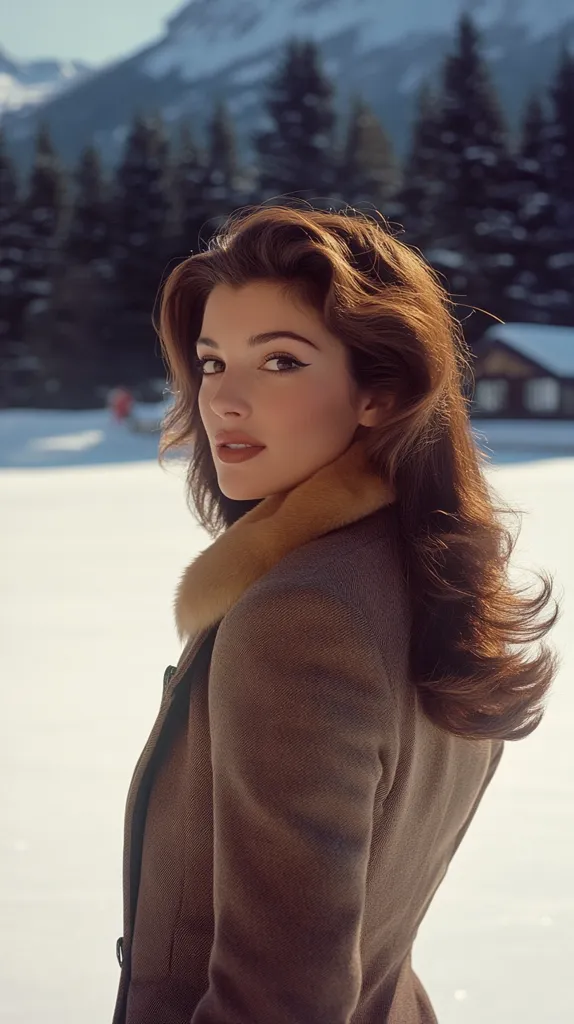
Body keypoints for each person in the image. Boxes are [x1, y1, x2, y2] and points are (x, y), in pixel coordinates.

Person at [112, 205, 558, 1024]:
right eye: (211, 363)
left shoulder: (301, 615)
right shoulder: (428, 573)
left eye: (280, 361)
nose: (224, 401)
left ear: (378, 394)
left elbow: (279, 1000)